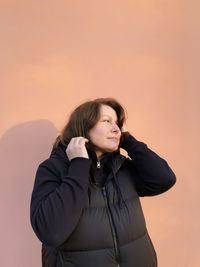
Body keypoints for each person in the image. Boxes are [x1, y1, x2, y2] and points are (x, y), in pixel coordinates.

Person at [30, 97, 176, 267]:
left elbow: (164, 179)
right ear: (84, 127)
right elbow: (51, 232)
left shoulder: (121, 166)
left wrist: (127, 140)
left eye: (118, 123)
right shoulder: (53, 169)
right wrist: (79, 165)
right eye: (107, 121)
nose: (116, 128)